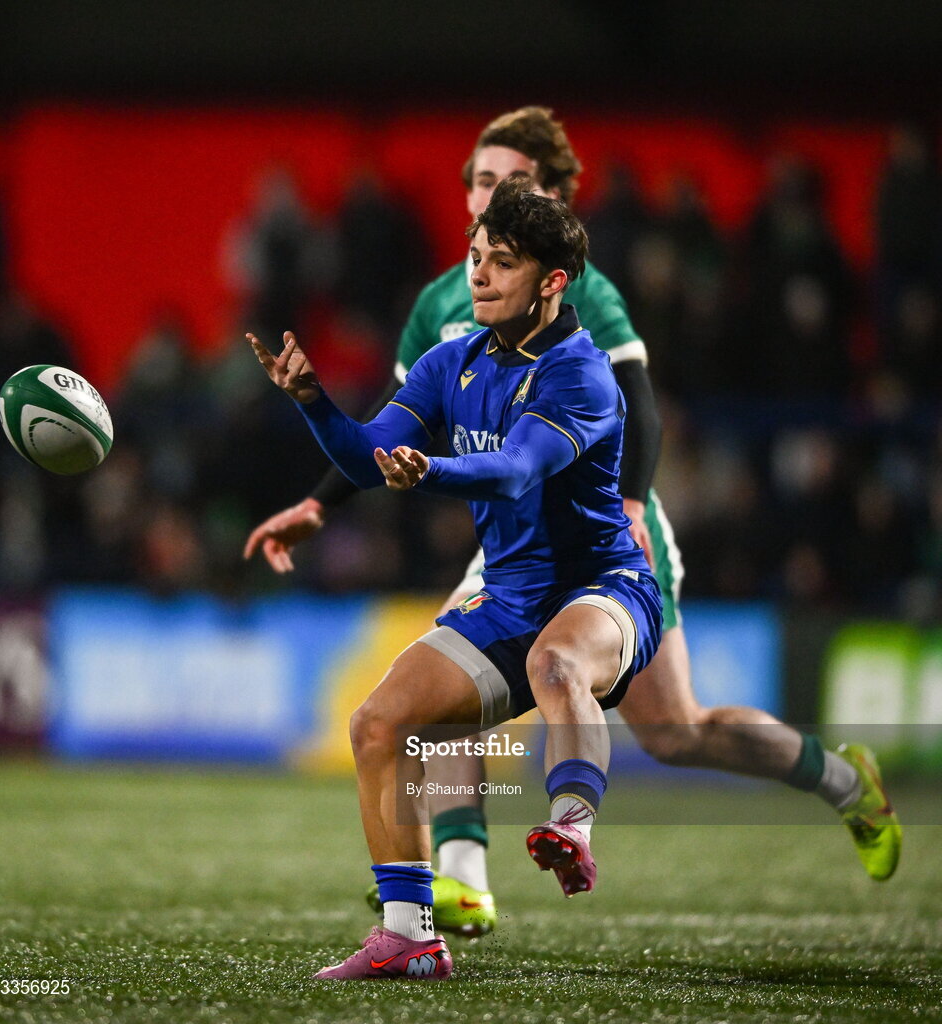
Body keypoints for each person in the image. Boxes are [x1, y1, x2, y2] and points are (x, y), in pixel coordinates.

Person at [245, 108, 902, 940]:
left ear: (547, 201)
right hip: (511, 536)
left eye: (506, 184)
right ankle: (461, 880)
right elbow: (386, 434)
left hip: (608, 527)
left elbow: (638, 411)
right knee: (438, 676)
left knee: (672, 731)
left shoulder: (577, 291)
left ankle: (842, 780)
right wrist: (315, 496)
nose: (486, 200)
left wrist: (629, 503)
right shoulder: (445, 306)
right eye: (478, 182)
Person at [250, 176, 664, 979]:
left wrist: (429, 467)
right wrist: (312, 400)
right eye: (474, 257)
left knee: (557, 663)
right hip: (509, 598)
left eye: (500, 263)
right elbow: (368, 456)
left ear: (550, 283)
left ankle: (571, 826)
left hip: (604, 590)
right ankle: (410, 938)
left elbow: (514, 472)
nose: (477, 275)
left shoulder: (579, 375)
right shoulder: (453, 361)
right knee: (377, 725)